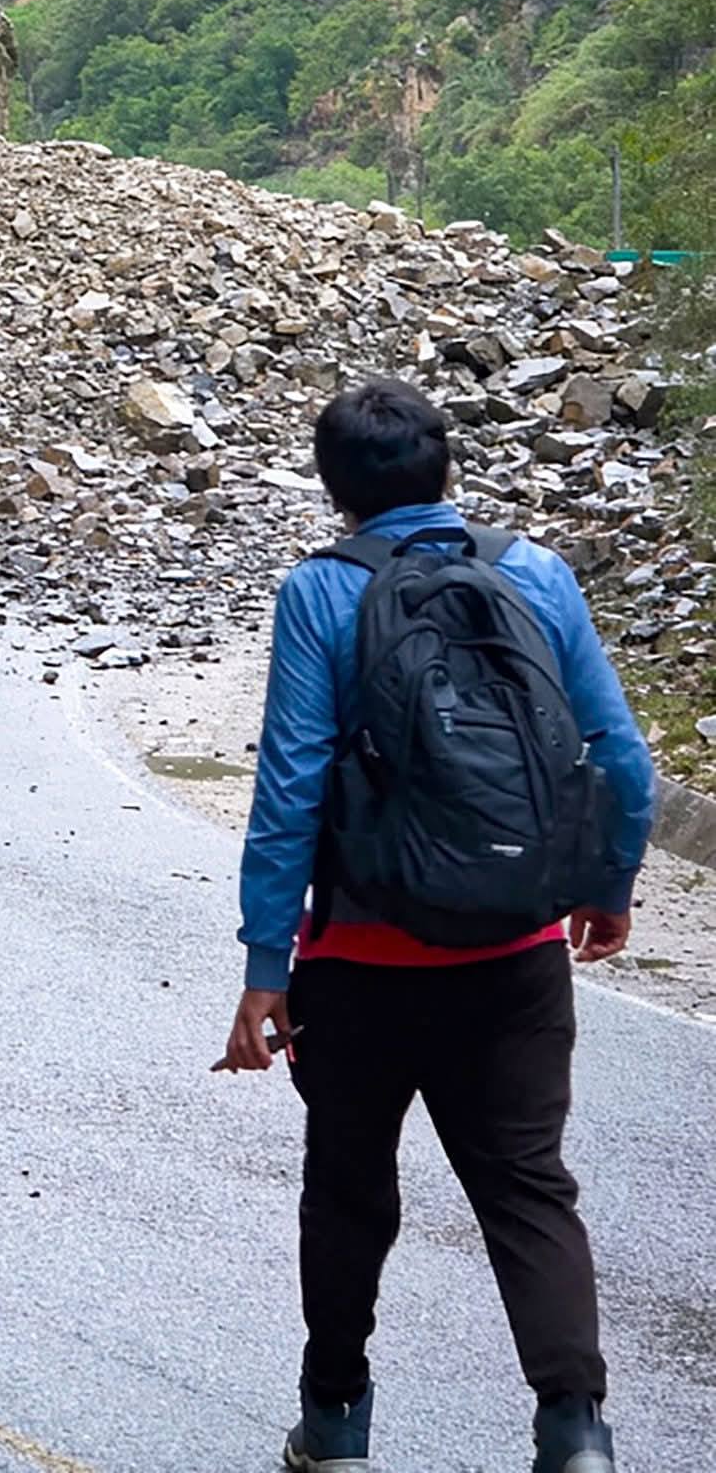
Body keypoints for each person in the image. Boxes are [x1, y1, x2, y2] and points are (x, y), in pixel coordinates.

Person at [217, 379, 655, 1473]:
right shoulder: (536, 573)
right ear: (446, 467)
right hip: (514, 955)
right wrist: (607, 884)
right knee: (528, 1187)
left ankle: (335, 1422)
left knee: (349, 1187)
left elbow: (290, 787)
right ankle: (576, 1429)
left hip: (359, 962)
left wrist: (267, 965)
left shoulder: (321, 590)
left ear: (334, 488)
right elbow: (621, 755)